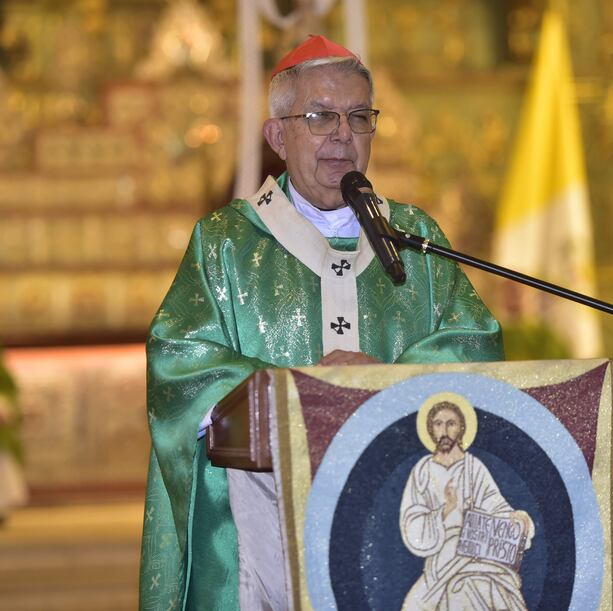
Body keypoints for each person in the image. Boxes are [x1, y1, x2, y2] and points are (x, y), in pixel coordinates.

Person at [140, 35, 503, 610]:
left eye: (360, 117)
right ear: (277, 137)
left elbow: (474, 343)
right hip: (263, 521)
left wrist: (385, 379)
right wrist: (299, 392)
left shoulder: (414, 237)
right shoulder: (228, 242)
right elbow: (180, 361)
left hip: (400, 517)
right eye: (319, 117)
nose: (342, 134)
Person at [400, 401, 533, 610]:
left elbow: (496, 507)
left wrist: (517, 519)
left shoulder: (474, 468)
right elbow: (411, 521)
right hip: (439, 562)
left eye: (450, 423)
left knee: (475, 592)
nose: (444, 431)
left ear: (461, 428)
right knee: (412, 605)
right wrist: (446, 509)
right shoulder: (422, 471)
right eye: (437, 424)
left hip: (475, 556)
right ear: (430, 429)